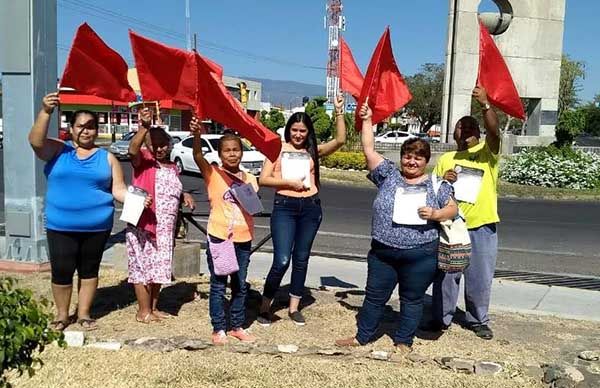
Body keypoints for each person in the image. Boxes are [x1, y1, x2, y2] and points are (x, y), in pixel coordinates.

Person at [336, 101, 457, 354]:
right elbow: (369, 150)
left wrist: (435, 213)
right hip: (383, 253)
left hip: (420, 254)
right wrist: (368, 120)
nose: (411, 161)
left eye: (418, 157)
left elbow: (452, 209)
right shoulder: (388, 175)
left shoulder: (437, 185)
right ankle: (363, 336)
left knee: (411, 300)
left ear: (426, 160)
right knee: (374, 297)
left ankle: (404, 341)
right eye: (407, 156)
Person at [28, 92, 144, 331]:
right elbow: (35, 141)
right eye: (81, 126)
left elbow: (118, 189)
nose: (86, 131)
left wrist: (138, 198)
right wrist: (46, 112)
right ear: (71, 129)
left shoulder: (107, 157)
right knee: (61, 271)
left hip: (97, 226)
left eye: (91, 127)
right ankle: (62, 315)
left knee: (89, 270)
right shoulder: (58, 151)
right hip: (61, 226)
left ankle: (84, 314)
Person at [257, 94, 347, 326]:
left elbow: (340, 140)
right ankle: (265, 306)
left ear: (308, 133)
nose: (298, 134)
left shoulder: (313, 151)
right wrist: (289, 183)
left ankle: (294, 307)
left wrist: (339, 112)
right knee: (282, 259)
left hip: (310, 207)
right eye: (295, 130)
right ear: (288, 130)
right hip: (285, 207)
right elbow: (264, 179)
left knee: (301, 258)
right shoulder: (277, 148)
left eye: (303, 131)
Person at [428, 86, 500, 340]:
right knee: (447, 275)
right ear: (455, 132)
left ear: (479, 133)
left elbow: (494, 131)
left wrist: (485, 105)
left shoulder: (487, 153)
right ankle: (441, 317)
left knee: (480, 277)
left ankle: (478, 319)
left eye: (471, 126)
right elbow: (434, 191)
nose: (466, 129)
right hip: (452, 226)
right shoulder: (446, 159)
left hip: (482, 225)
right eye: (461, 126)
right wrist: (444, 181)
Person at [190, 118, 258, 345]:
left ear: (242, 153)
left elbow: (253, 206)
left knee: (240, 284)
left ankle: (237, 325)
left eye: (236, 150)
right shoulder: (213, 174)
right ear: (220, 155)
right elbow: (198, 157)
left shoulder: (250, 178)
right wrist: (197, 135)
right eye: (227, 151)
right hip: (220, 238)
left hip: (243, 238)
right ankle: (218, 327)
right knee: (218, 285)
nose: (232, 154)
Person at [126, 107, 195, 324]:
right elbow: (131, 151)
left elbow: (171, 187)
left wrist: (184, 194)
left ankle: (153, 308)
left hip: (165, 228)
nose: (159, 148)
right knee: (142, 266)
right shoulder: (144, 162)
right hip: (144, 224)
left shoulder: (173, 167)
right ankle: (143, 310)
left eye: (163, 144)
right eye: (154, 144)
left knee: (159, 267)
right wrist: (144, 127)